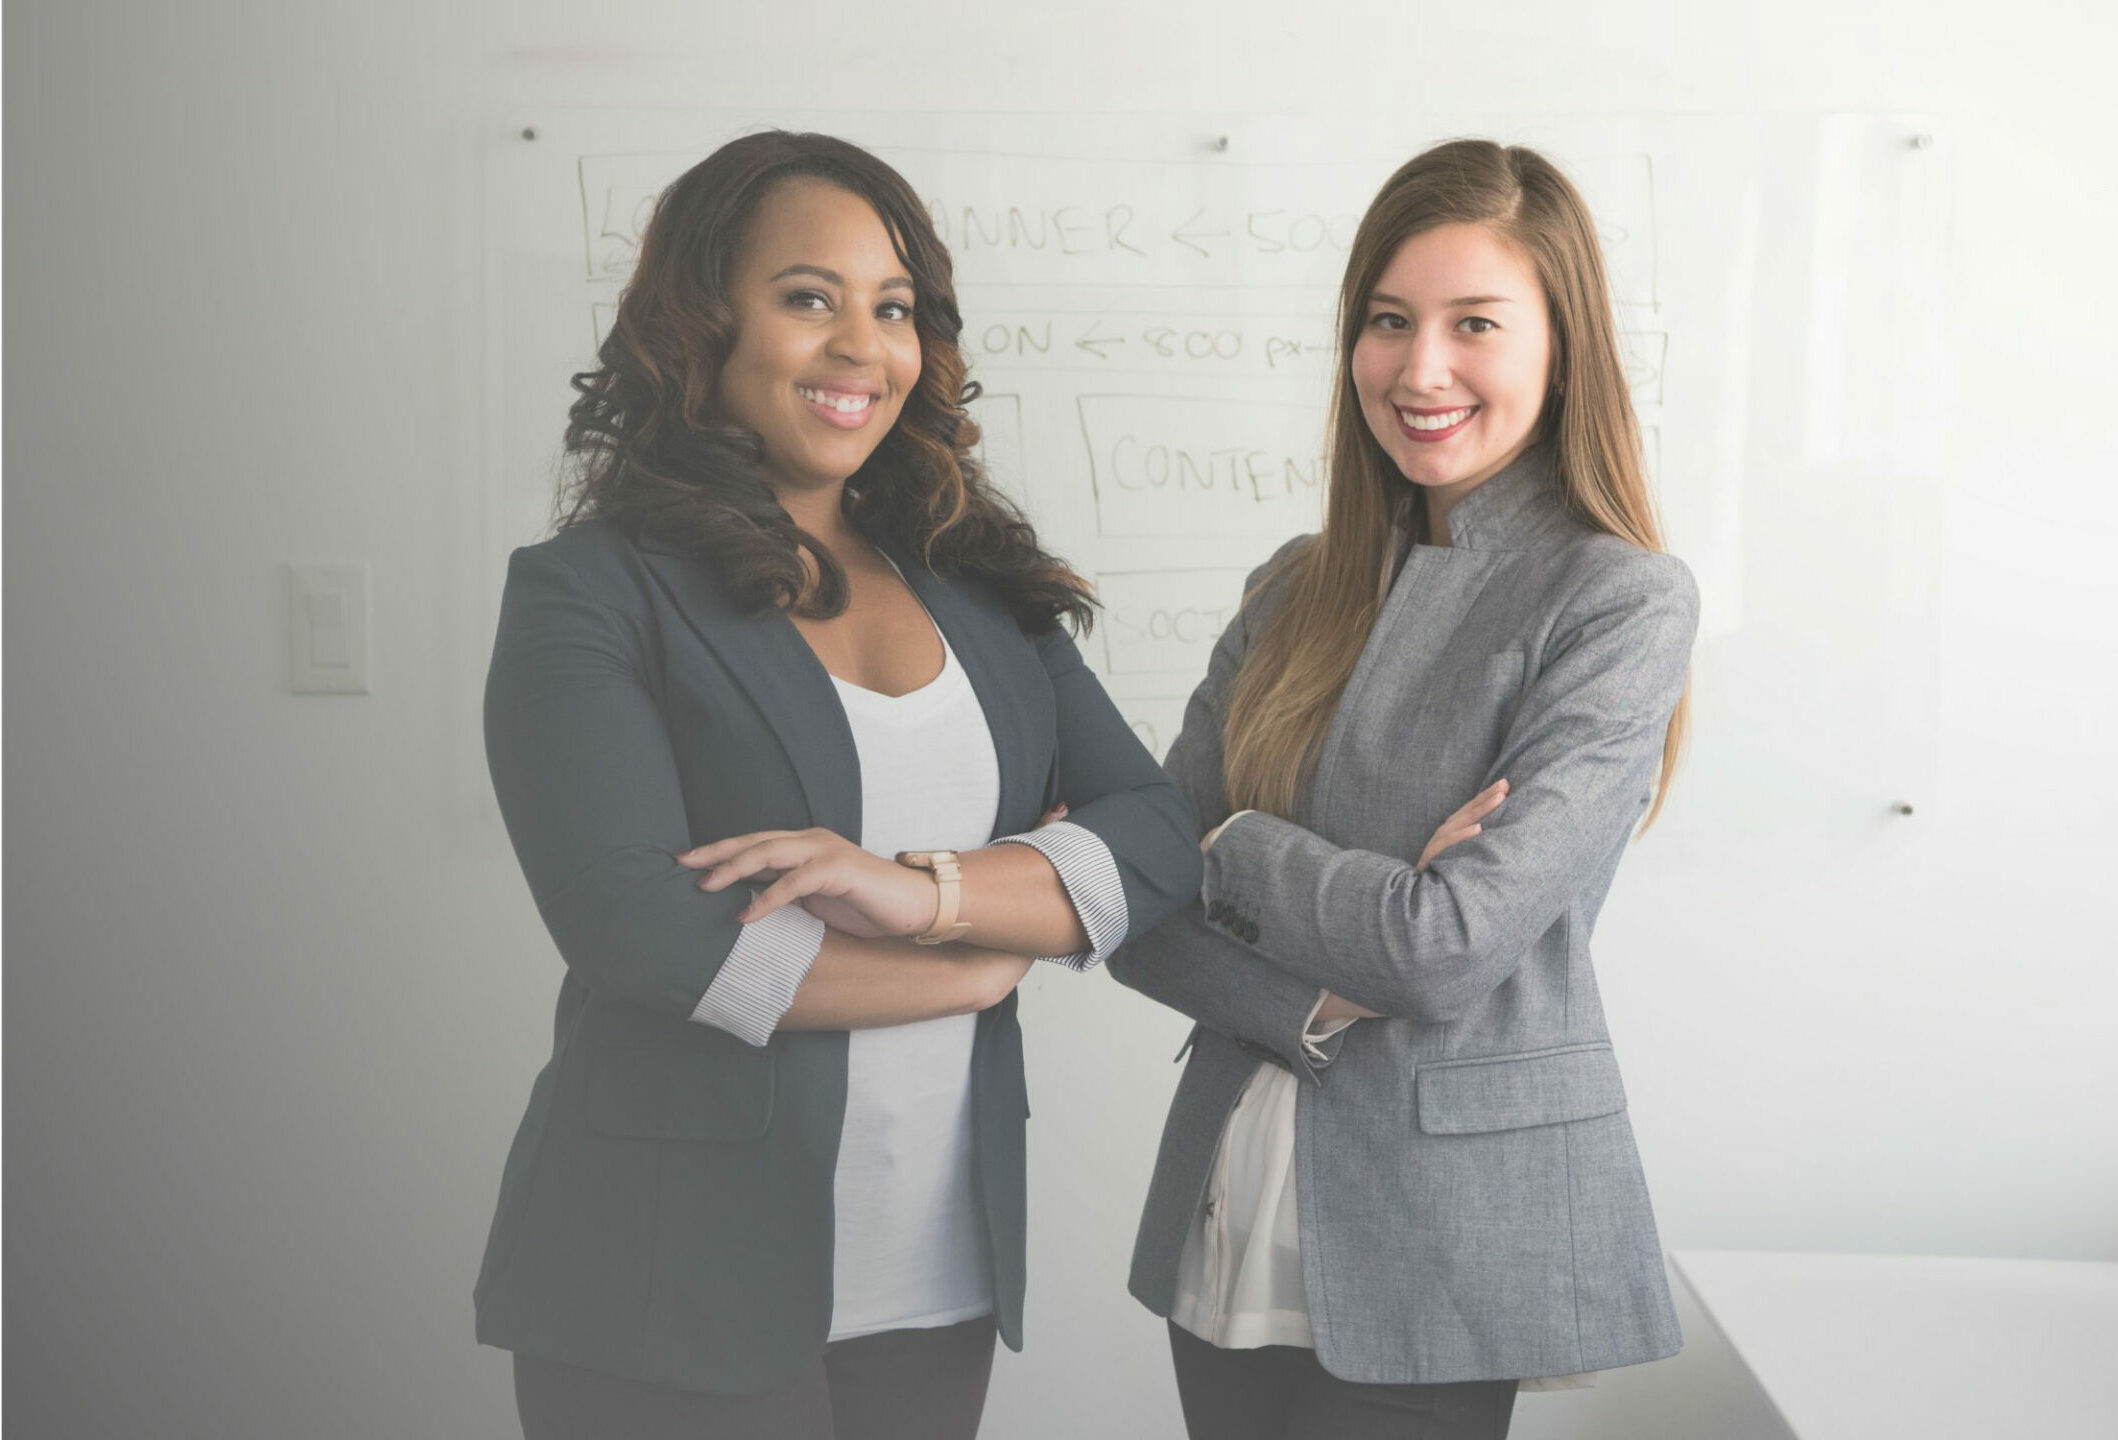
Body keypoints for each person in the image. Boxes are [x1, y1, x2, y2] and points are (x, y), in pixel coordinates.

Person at [473, 130, 1201, 1440]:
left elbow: (1152, 838)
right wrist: (977, 962)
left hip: (935, 1270)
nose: (863, 346)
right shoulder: (590, 591)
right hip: (667, 1279)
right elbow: (643, 934)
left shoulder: (983, 590)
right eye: (810, 297)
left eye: (894, 307)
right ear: (702, 325)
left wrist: (921, 897)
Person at [1106, 138, 1698, 1440]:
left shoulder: (1613, 600)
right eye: (1387, 321)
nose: (1417, 368)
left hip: (1443, 1228)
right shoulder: (1289, 585)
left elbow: (1444, 948)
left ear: (1561, 345)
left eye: (1472, 323)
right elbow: (1138, 907)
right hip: (1229, 1195)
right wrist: (1309, 980)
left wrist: (1232, 844)